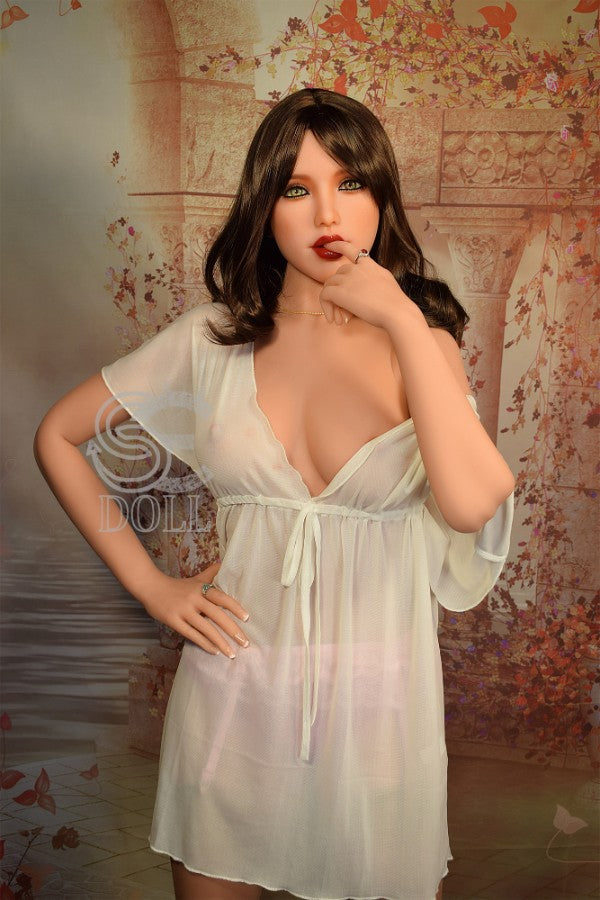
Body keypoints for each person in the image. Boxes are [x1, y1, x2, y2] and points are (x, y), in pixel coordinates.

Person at [33, 88, 515, 900]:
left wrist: (401, 319)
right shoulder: (210, 340)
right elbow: (58, 435)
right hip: (230, 699)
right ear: (265, 203)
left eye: (350, 183)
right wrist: (150, 585)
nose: (328, 213)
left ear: (381, 197)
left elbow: (470, 506)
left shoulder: (421, 344)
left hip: (378, 712)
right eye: (297, 188)